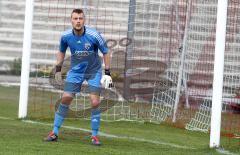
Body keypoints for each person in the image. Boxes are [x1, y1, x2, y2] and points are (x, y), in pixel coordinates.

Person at [44, 8, 113, 145]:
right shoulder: (65, 36)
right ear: (71, 20)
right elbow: (61, 51)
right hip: (75, 72)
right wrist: (58, 70)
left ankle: (94, 136)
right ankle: (54, 132)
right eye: (75, 18)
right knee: (66, 98)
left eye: (80, 18)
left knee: (95, 102)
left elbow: (105, 52)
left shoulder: (94, 35)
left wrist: (107, 72)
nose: (78, 21)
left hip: (93, 71)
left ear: (84, 20)